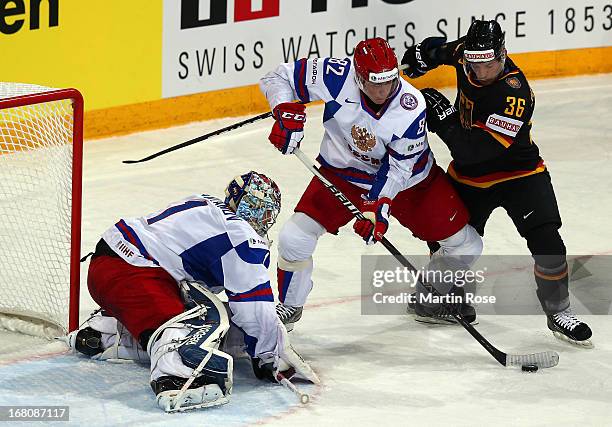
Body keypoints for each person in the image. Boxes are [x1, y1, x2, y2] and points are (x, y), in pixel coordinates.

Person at [259, 37, 483, 330]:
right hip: (342, 173)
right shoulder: (336, 75)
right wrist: (284, 109)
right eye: (375, 84)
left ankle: (431, 295)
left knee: (467, 246)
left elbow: (398, 169)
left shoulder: (411, 107)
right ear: (358, 76)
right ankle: (288, 309)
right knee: (294, 238)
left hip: (409, 183)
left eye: (389, 82)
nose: (383, 91)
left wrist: (377, 208)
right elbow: (277, 76)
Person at [400, 20, 592, 347]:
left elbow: (475, 151)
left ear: (503, 54)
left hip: (518, 174)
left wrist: (444, 120)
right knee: (448, 234)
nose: (483, 69)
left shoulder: (513, 93)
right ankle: (441, 292)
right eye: (476, 63)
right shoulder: (467, 52)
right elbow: (440, 52)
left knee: (548, 242)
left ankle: (558, 310)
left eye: (490, 63)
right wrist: (422, 55)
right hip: (469, 175)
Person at [67, 171, 319, 413]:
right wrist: (272, 356)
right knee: (195, 329)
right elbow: (254, 308)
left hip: (107, 267)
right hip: (133, 275)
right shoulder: (244, 238)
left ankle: (108, 331)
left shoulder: (204, 202)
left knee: (218, 322)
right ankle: (178, 377)